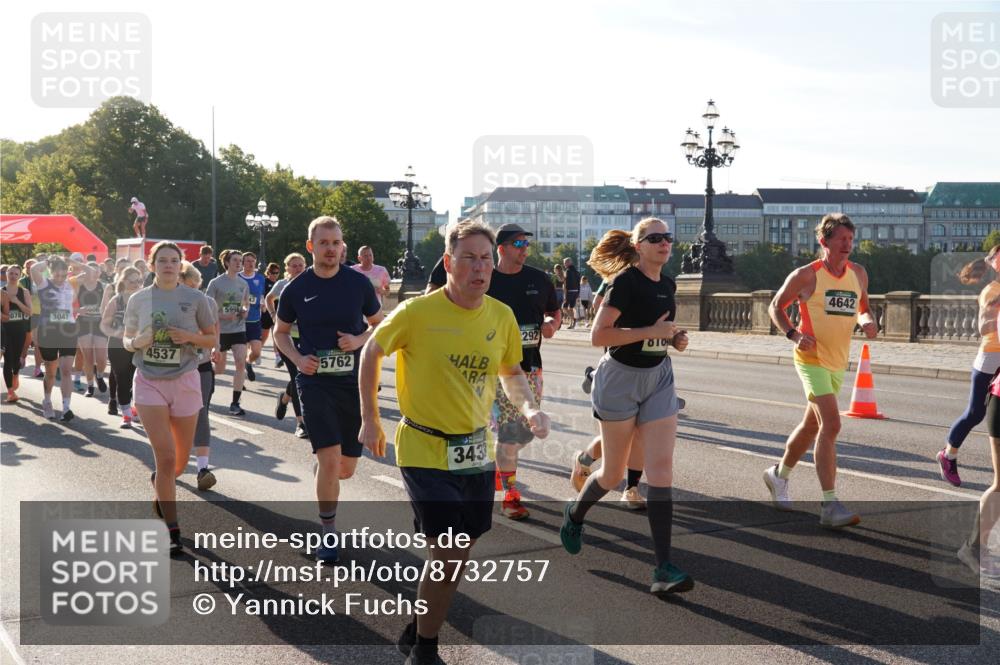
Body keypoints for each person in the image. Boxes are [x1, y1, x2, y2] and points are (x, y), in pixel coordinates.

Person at [359, 221, 550, 665]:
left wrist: (530, 409)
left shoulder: (500, 316)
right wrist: (370, 418)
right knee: (445, 549)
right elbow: (372, 351)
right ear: (449, 263)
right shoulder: (417, 312)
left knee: (458, 554)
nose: (479, 267)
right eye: (469, 258)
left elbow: (511, 373)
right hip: (424, 446)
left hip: (475, 448)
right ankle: (426, 649)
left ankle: (420, 623)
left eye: (486, 258)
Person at [559, 218, 692, 596]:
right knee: (613, 471)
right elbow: (598, 335)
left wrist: (676, 338)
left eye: (668, 236)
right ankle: (576, 512)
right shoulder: (625, 282)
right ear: (638, 247)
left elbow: (663, 327)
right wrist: (652, 333)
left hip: (658, 377)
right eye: (655, 238)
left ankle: (663, 567)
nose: (665, 242)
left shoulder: (668, 283)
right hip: (619, 379)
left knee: (661, 470)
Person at [274, 217, 383, 563]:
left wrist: (359, 339)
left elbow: (381, 326)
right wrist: (296, 357)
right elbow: (280, 332)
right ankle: (328, 534)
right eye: (324, 243)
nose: (331, 249)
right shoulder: (295, 288)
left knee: (345, 468)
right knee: (329, 456)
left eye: (336, 243)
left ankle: (324, 477)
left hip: (354, 383)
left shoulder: (358, 284)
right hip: (314, 382)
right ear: (311, 247)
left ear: (342, 247)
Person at [763, 213, 878, 528]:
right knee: (832, 424)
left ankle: (778, 475)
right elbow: (776, 305)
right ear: (824, 241)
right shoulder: (806, 275)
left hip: (838, 361)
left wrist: (868, 323)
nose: (847, 245)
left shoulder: (858, 273)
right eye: (841, 239)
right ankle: (829, 505)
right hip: (811, 359)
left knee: (811, 427)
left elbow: (863, 309)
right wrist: (795, 335)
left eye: (851, 240)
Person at [123, 241, 216, 555]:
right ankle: (171, 530)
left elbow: (212, 338)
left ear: (181, 265)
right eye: (161, 260)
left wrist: (189, 337)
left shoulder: (196, 299)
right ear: (152, 265)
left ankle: (161, 486)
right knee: (164, 458)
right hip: (149, 381)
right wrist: (139, 340)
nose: (167, 265)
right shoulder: (138, 299)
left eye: (173, 261)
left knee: (178, 463)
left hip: (186, 380)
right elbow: (126, 340)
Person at [486, 223, 560, 520]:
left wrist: (551, 323)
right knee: (508, 433)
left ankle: (501, 468)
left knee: (525, 432)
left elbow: (553, 311)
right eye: (518, 244)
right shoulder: (486, 280)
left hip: (530, 366)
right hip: (495, 370)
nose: (525, 248)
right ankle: (511, 496)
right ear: (501, 248)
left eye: (526, 243)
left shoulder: (539, 279)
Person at [940, 246, 1000, 486]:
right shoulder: (990, 291)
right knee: (976, 413)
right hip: (991, 357)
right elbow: (983, 327)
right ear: (995, 262)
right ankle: (948, 455)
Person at [30, 254, 99, 421]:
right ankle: (47, 401)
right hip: (49, 331)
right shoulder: (43, 284)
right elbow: (33, 268)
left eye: (63, 275)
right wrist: (49, 261)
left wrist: (71, 262)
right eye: (56, 275)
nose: (60, 279)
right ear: (50, 273)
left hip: (68, 330)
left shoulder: (72, 282)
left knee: (67, 369)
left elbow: (92, 273)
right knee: (51, 372)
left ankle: (66, 407)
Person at [180, 261, 221, 490]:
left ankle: (202, 469)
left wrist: (217, 348)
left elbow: (214, 329)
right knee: (176, 416)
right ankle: (172, 461)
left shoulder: (209, 303)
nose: (193, 291)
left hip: (202, 364)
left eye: (196, 286)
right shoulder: (168, 303)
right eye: (187, 287)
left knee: (201, 411)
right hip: (174, 368)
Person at [266, 253, 308, 438]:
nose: (298, 268)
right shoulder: (282, 285)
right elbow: (269, 298)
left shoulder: (311, 282)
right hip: (287, 338)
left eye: (300, 265)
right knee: (297, 375)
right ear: (287, 268)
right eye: (294, 265)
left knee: (303, 375)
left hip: (307, 338)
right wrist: (274, 316)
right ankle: (301, 423)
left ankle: (284, 398)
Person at [206, 250, 250, 415]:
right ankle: (207, 386)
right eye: (235, 260)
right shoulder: (216, 283)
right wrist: (223, 315)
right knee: (219, 369)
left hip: (238, 328)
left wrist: (245, 310)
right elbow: (207, 307)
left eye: (241, 260)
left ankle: (235, 403)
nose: (239, 263)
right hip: (220, 331)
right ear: (227, 263)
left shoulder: (243, 283)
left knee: (240, 362)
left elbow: (246, 302)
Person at [101, 268, 143, 428]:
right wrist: (117, 333)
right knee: (122, 379)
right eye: (131, 281)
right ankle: (126, 415)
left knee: (138, 380)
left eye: (138, 281)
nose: (135, 284)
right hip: (118, 345)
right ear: (124, 282)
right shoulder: (116, 300)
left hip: (138, 344)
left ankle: (134, 408)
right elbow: (104, 325)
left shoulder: (144, 300)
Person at [75, 262, 109, 397]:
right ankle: (90, 386)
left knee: (102, 358)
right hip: (83, 323)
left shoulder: (104, 286)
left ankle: (99, 375)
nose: (93, 273)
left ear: (99, 273)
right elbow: (66, 303)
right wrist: (78, 310)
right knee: (88, 358)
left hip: (99, 324)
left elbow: (109, 306)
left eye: (96, 271)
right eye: (90, 271)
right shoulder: (79, 285)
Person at [1, 266, 32, 402]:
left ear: (20, 275)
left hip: (20, 330)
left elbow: (29, 312)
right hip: (5, 330)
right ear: (6, 274)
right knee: (8, 360)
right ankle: (10, 392)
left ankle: (16, 373)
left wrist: (16, 301)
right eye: (10, 273)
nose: (13, 276)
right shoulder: (1, 292)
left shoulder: (24, 292)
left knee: (16, 360)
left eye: (16, 274)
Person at [238, 251, 266, 379]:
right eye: (248, 261)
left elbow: (261, 295)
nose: (250, 263)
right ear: (243, 263)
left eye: (252, 261)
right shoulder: (237, 277)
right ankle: (240, 380)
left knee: (256, 351)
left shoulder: (260, 278)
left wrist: (262, 303)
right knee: (241, 353)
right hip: (239, 321)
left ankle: (248, 363)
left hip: (255, 320)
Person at [261, 262, 281, 364]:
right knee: (263, 337)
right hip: (265, 314)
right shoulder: (264, 282)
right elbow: (261, 296)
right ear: (268, 273)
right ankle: (256, 352)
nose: (275, 275)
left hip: (276, 313)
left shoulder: (279, 284)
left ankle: (277, 358)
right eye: (273, 273)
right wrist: (262, 305)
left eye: (277, 273)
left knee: (275, 335)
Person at [563, 257, 581, 329]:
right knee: (571, 308)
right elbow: (578, 283)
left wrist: (565, 294)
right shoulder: (577, 272)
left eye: (565, 263)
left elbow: (566, 284)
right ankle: (572, 323)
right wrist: (578, 293)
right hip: (576, 291)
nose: (564, 264)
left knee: (564, 307)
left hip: (569, 291)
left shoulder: (567, 271)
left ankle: (573, 319)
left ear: (569, 263)